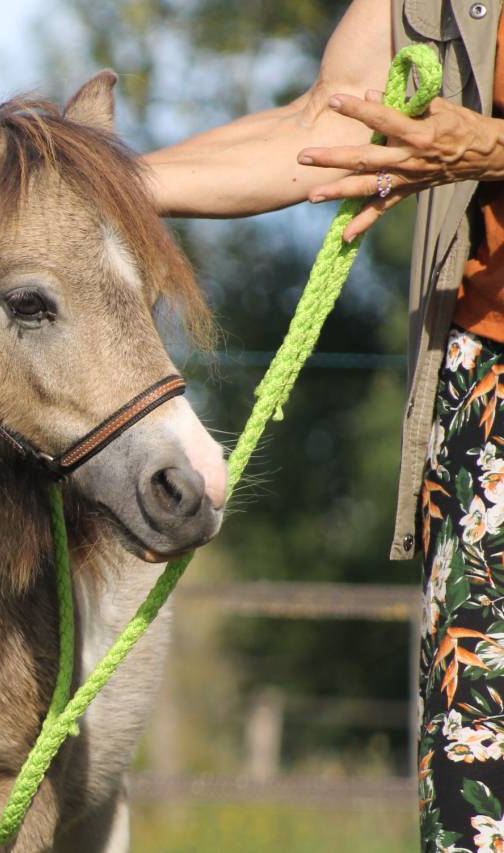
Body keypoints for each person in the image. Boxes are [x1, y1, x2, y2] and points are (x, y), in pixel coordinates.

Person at [145, 0, 504, 847]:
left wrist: (489, 149)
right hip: (486, 391)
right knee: (475, 790)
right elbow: (324, 126)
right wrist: (103, 183)